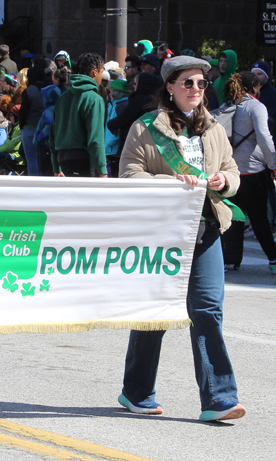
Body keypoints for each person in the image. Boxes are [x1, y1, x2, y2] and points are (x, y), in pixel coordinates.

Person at [118, 56, 245, 422]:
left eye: (201, 84)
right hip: (162, 233)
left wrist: (225, 182)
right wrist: (170, 184)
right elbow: (129, 175)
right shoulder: (145, 128)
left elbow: (231, 169)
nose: (196, 90)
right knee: (155, 313)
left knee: (208, 310)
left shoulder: (213, 128)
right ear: (170, 87)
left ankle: (219, 399)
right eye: (187, 83)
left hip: (206, 230)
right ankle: (137, 391)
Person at [222, 72, 276, 272]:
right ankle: (273, 260)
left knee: (233, 218)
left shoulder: (226, 106)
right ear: (254, 87)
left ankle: (231, 259)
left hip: (229, 174)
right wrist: (273, 164)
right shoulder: (255, 106)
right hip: (253, 172)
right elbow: (264, 136)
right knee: (259, 218)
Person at [49, 53, 107, 178]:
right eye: (102, 72)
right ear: (95, 72)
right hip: (84, 159)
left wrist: (56, 167)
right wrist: (103, 171)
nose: (102, 76)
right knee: (86, 197)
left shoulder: (63, 97)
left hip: (63, 158)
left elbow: (53, 135)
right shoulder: (95, 99)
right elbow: (95, 139)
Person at [19, 66, 46, 176]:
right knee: (43, 158)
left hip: (30, 127)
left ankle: (34, 181)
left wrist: (22, 126)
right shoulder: (48, 89)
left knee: (31, 158)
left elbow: (23, 111)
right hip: (44, 127)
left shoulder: (29, 90)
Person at [0, 105, 24, 174]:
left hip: (17, 156)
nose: (9, 117)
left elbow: (11, 145)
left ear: (17, 117)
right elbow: (6, 143)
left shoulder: (19, 129)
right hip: (10, 153)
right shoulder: (13, 128)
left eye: (11, 115)